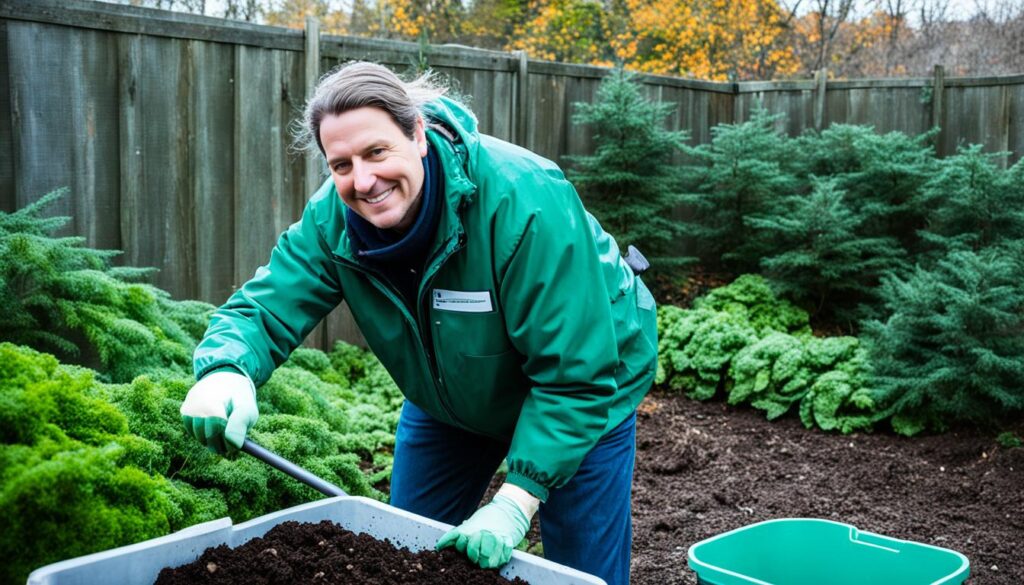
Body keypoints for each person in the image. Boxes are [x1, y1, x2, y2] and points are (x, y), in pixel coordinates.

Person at [179, 61, 657, 585]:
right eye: (341, 165)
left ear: (419, 135)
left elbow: (576, 375)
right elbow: (265, 306)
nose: (363, 180)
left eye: (377, 152)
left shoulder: (524, 201)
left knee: (578, 572)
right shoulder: (334, 220)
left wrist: (516, 502)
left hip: (588, 382)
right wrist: (226, 368)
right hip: (451, 394)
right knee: (404, 550)